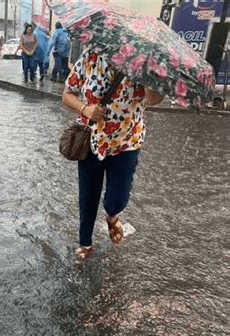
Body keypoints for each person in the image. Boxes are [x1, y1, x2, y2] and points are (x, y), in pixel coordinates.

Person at [61, 49, 164, 259]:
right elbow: (67, 94)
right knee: (88, 195)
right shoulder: (90, 57)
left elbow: (153, 100)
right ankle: (85, 242)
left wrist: (145, 74)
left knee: (117, 197)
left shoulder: (145, 63)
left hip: (127, 143)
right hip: (92, 141)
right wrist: (85, 109)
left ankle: (112, 216)